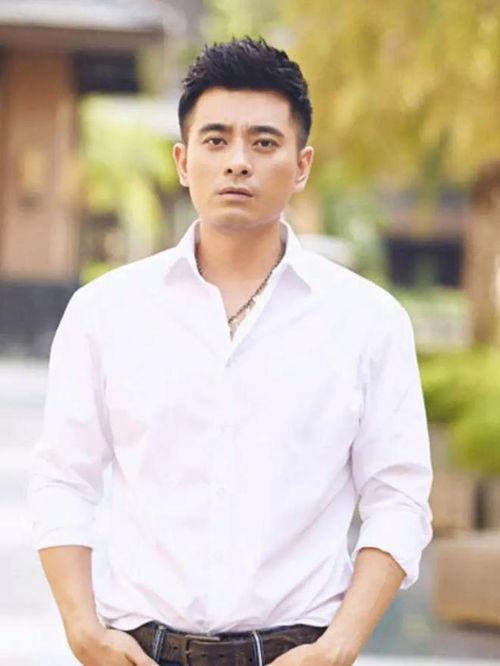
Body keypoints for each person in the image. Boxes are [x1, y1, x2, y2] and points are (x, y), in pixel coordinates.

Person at [27, 36, 433, 666]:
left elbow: (399, 498)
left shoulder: (367, 322)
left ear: (302, 165)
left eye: (264, 143)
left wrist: (340, 645)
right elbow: (63, 478)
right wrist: (82, 629)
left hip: (299, 651)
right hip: (140, 650)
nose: (238, 162)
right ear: (183, 161)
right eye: (216, 140)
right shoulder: (105, 312)